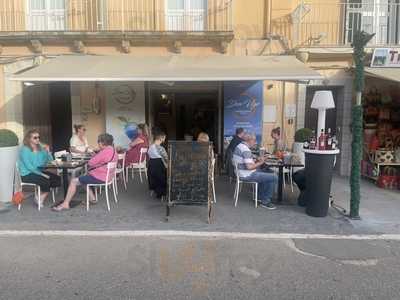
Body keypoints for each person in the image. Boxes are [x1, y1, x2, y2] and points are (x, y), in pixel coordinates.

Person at [53, 133, 117, 211]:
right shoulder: (113, 150)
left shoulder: (104, 151)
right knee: (83, 178)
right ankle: (92, 199)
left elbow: (90, 163)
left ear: (102, 143)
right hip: (108, 176)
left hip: (100, 177)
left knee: (73, 181)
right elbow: (102, 160)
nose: (98, 144)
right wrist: (96, 155)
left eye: (98, 142)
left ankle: (65, 203)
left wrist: (96, 156)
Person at [232, 133, 277, 209]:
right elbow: (249, 167)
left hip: (241, 173)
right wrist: (261, 162)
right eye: (254, 140)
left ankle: (260, 197)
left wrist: (256, 160)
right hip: (247, 175)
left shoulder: (239, 146)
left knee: (267, 173)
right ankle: (265, 201)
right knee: (274, 177)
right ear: (250, 140)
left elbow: (247, 162)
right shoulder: (245, 149)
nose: (255, 142)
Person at [18, 129, 61, 207]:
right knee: (46, 181)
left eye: (38, 137)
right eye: (35, 137)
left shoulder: (40, 149)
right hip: (27, 174)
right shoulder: (25, 150)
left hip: (38, 172)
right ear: (29, 139)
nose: (38, 139)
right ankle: (40, 199)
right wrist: (42, 174)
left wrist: (48, 152)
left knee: (57, 179)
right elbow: (29, 167)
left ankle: (39, 197)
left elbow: (50, 161)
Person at [147, 131, 168, 199]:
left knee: (155, 177)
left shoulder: (150, 147)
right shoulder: (161, 148)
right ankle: (163, 192)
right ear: (161, 138)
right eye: (164, 138)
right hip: (159, 166)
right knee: (166, 174)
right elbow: (166, 158)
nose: (164, 139)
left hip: (151, 166)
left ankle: (155, 190)